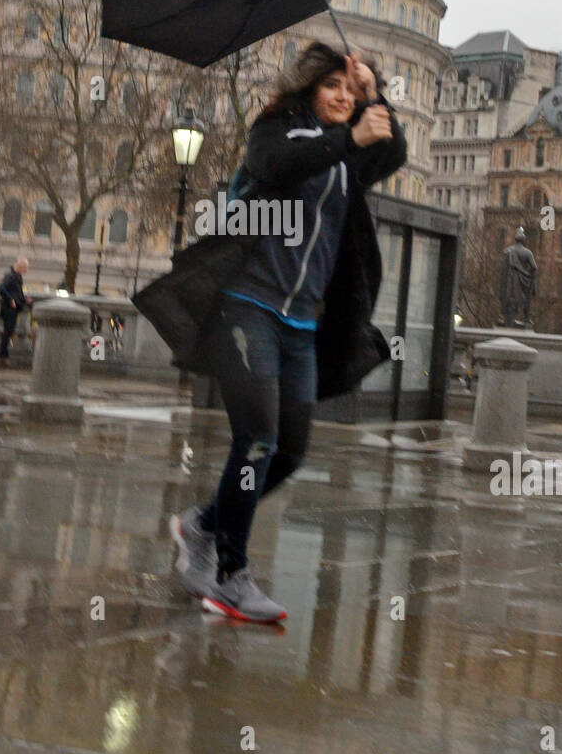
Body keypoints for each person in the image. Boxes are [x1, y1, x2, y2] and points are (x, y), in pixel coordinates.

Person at [134, 41, 407, 622]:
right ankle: (230, 577)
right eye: (330, 86)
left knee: (289, 450)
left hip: (302, 323)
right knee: (257, 437)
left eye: (347, 87)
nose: (340, 96)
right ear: (309, 89)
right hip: (246, 307)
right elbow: (276, 165)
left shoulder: (346, 157)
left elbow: (392, 151)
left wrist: (376, 95)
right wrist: (347, 136)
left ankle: (202, 524)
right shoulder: (279, 130)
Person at [0, 257, 30, 362]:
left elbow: (17, 293)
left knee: (9, 331)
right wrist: (11, 299)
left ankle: (4, 354)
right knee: (8, 331)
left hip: (14, 308)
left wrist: (24, 300)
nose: (26, 271)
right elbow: (1, 288)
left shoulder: (17, 276)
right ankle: (3, 355)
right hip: (9, 308)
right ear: (20, 266)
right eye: (25, 268)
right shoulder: (10, 276)